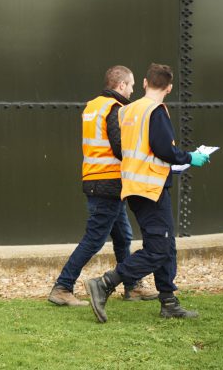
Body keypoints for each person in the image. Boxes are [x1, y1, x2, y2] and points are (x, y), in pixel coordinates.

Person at [84, 63, 210, 322]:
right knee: (158, 249)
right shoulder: (156, 111)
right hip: (151, 188)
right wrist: (191, 157)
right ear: (169, 88)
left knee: (167, 245)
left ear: (144, 83)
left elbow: (136, 149)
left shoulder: (127, 110)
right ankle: (105, 283)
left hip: (134, 187)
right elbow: (164, 149)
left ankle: (168, 301)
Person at [48, 65, 158, 306]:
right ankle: (63, 286)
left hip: (97, 179)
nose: (131, 91)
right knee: (95, 239)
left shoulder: (94, 106)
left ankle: (132, 285)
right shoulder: (115, 109)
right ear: (121, 86)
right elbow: (120, 148)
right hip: (107, 182)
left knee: (123, 236)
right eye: (130, 86)